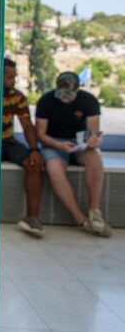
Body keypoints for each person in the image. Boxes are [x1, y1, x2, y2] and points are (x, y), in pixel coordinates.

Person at [36, 71, 111, 237]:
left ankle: (94, 210)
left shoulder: (88, 101)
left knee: (95, 159)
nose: (66, 98)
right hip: (54, 142)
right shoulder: (46, 101)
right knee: (54, 170)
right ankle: (80, 219)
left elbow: (92, 131)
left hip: (80, 143)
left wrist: (91, 142)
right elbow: (41, 134)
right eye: (62, 94)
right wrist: (59, 145)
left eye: (70, 94)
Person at [0, 58, 46, 237]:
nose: (12, 81)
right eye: (8, 77)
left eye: (13, 77)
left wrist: (34, 150)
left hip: (6, 142)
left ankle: (32, 217)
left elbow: (27, 125)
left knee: (34, 164)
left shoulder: (17, 97)